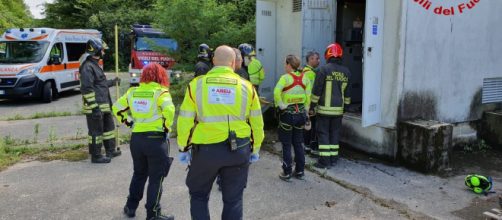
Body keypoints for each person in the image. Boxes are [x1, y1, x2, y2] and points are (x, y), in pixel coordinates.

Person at [177, 45, 264, 220]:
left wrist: (183, 147)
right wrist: (255, 148)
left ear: (213, 61)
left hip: (205, 151)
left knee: (199, 196)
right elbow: (257, 124)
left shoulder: (196, 85)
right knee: (233, 200)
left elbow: (185, 120)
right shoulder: (247, 87)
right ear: (233, 63)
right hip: (239, 150)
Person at [112, 63, 176, 220]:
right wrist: (166, 128)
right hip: (155, 140)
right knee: (156, 178)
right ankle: (153, 214)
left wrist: (129, 122)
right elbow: (170, 110)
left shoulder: (132, 92)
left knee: (139, 174)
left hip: (137, 140)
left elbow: (116, 108)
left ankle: (130, 207)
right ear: (161, 76)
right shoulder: (161, 93)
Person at [80, 38, 121, 163]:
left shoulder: (95, 65)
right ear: (96, 50)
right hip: (95, 107)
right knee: (96, 133)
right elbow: (87, 89)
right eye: (102, 50)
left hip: (104, 106)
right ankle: (96, 156)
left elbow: (100, 84)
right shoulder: (87, 67)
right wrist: (94, 107)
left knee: (109, 129)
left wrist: (113, 82)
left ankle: (110, 150)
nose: (104, 52)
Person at [311, 43, 352, 169]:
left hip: (324, 110)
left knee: (323, 134)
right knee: (334, 133)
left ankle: (324, 161)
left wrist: (312, 105)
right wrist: (346, 107)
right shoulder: (346, 72)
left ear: (327, 54)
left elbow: (317, 90)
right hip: (338, 111)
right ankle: (334, 159)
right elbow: (348, 93)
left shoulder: (324, 70)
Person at [274, 55, 311, 181]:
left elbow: (276, 92)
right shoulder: (305, 78)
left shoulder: (285, 78)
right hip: (300, 115)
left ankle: (287, 172)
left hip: (287, 115)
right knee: (298, 144)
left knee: (286, 144)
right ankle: (300, 171)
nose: (284, 66)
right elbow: (308, 96)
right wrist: (306, 111)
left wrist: (281, 105)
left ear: (289, 64)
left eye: (285, 64)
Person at [302, 51, 320, 157]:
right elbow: (313, 91)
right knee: (311, 126)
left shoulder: (304, 71)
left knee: (307, 125)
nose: (318, 61)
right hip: (310, 105)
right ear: (311, 59)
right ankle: (310, 147)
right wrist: (312, 106)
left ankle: (306, 146)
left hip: (305, 104)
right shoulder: (310, 73)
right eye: (317, 58)